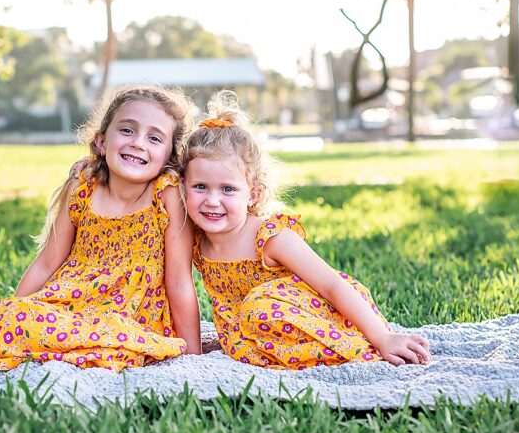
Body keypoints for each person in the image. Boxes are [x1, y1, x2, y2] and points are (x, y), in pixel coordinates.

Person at [0, 84, 201, 371]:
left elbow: (179, 280)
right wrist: (15, 308)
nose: (137, 142)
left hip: (129, 316)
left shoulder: (167, 193)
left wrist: (193, 354)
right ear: (101, 140)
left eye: (154, 138)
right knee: (4, 317)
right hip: (69, 305)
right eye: (127, 130)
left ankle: (67, 349)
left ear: (169, 156)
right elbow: (46, 264)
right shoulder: (83, 187)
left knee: (115, 338)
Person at [182, 92, 431, 369]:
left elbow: (332, 285)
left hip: (320, 318)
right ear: (183, 187)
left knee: (258, 308)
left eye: (228, 189)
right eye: (200, 186)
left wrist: (384, 337)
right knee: (248, 323)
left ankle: (357, 350)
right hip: (253, 335)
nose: (212, 201)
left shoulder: (269, 237)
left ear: (253, 194)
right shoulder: (195, 240)